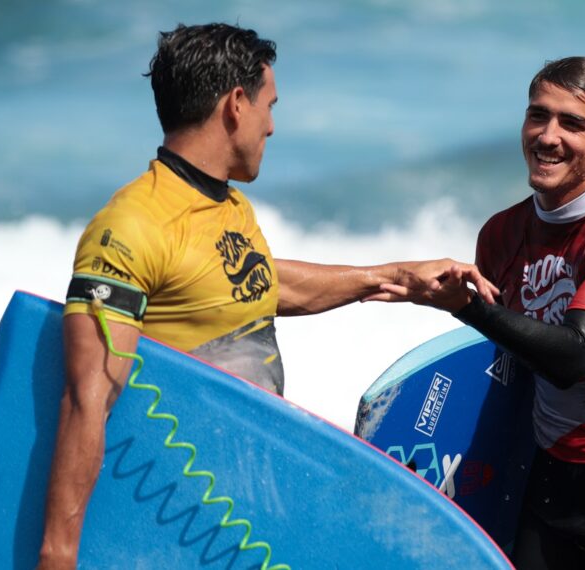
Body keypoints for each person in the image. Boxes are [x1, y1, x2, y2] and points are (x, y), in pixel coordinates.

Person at [36, 23, 494, 569]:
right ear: (235, 104)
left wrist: (396, 278)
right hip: (174, 507)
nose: (271, 127)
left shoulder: (227, 208)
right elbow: (85, 402)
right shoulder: (131, 228)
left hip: (242, 499)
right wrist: (57, 555)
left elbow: (259, 284)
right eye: (268, 106)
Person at [373, 56, 585, 569]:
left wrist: (467, 306)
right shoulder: (501, 235)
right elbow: (508, 363)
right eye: (537, 116)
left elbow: (578, 356)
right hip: (547, 481)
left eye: (572, 123)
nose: (547, 136)